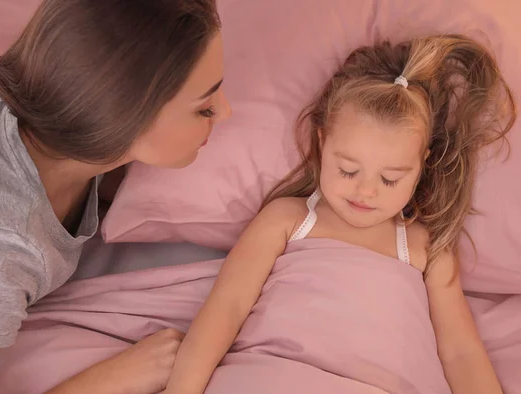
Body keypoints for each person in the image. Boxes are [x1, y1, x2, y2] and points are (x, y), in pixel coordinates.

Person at [162, 34, 516, 394]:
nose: (365, 191)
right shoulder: (287, 220)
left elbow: (460, 352)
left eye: (390, 178)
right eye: (348, 170)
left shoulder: (427, 247)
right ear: (321, 143)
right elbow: (226, 309)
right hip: (274, 376)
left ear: (422, 166)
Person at [0, 0, 231, 393]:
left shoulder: (60, 118)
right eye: (205, 107)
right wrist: (111, 380)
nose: (226, 114)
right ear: (122, 116)